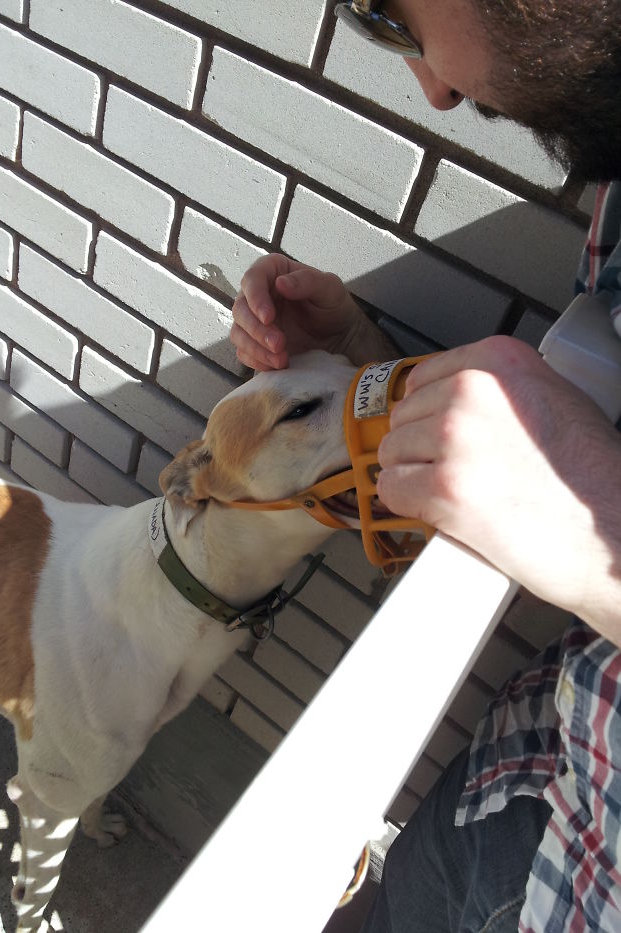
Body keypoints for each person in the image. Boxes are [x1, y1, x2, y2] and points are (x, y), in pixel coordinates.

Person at [231, 2, 621, 930]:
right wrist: (362, 380)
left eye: (386, 13)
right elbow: (582, 415)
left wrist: (599, 533)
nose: (437, 90)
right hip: (536, 767)